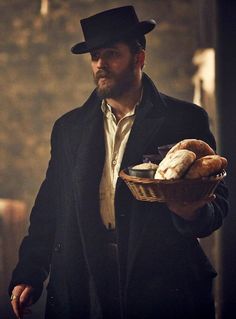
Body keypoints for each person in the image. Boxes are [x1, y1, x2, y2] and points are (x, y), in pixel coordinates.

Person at [9, 5, 229, 319]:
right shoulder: (68, 128)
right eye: (95, 56)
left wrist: (192, 213)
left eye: (112, 54)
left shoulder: (185, 119)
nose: (100, 65)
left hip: (162, 287)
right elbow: (50, 207)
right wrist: (29, 272)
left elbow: (218, 203)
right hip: (85, 283)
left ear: (139, 58)